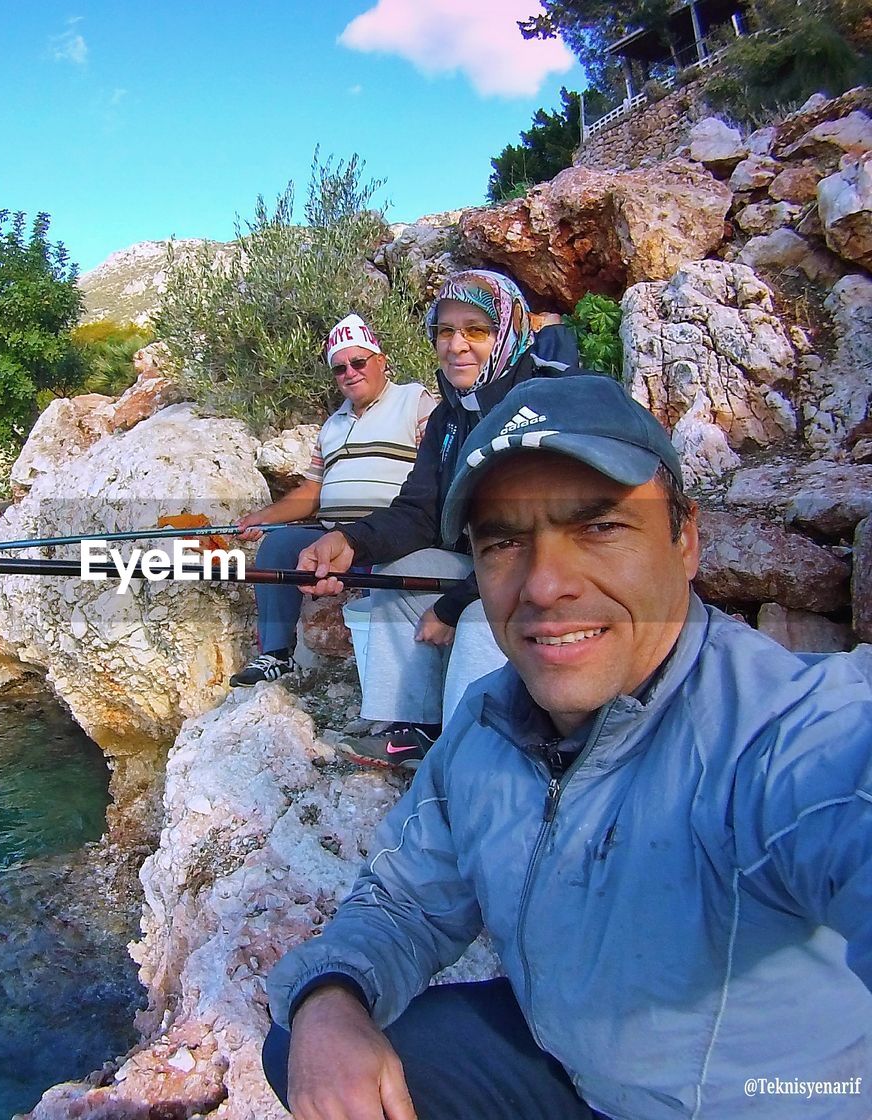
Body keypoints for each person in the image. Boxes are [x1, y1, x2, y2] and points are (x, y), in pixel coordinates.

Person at [264, 374, 872, 1119]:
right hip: (572, 1067)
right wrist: (332, 997)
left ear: (685, 541)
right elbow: (403, 903)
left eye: (600, 527)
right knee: (307, 1039)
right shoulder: (490, 724)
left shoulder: (788, 733)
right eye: (504, 543)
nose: (545, 585)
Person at [299, 270, 586, 765]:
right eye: (445, 331)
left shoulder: (546, 402)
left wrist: (452, 606)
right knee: (398, 578)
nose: (456, 345)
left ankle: (464, 761)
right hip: (487, 568)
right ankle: (411, 729)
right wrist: (350, 542)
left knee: (479, 618)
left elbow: (539, 541)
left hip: (554, 573)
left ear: (509, 331)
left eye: (476, 329)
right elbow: (419, 512)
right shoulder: (450, 417)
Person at [229, 313, 434, 687]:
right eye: (339, 368)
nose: (350, 373)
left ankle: (397, 681)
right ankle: (276, 654)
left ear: (381, 361)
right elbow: (311, 492)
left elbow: (435, 468)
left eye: (358, 362)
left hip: (389, 534)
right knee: (277, 546)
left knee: (391, 569)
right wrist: (264, 516)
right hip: (329, 533)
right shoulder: (332, 425)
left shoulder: (414, 401)